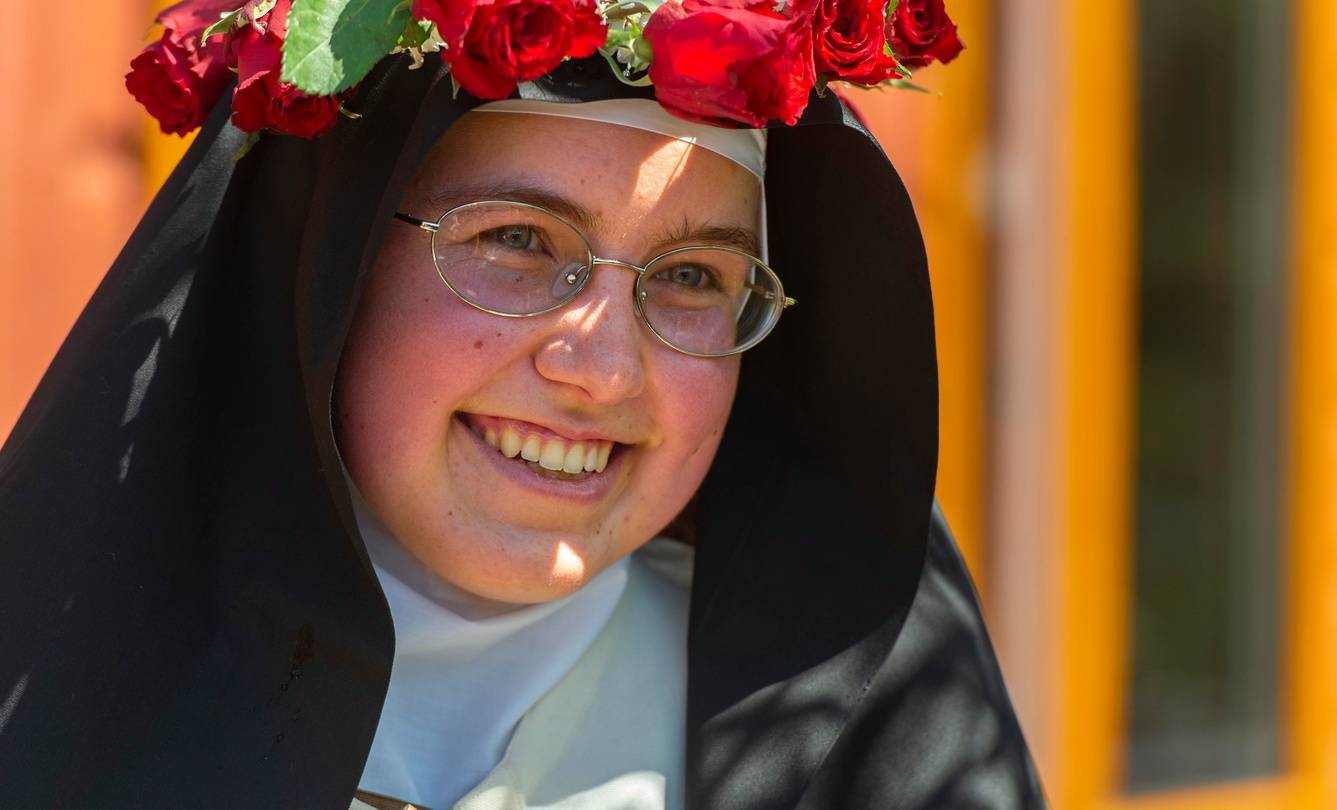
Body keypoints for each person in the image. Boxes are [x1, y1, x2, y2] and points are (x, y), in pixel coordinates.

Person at [0, 0, 1045, 807]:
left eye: (691, 278)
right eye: (515, 241)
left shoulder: (859, 740)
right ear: (326, 268)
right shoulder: (42, 698)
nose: (602, 371)